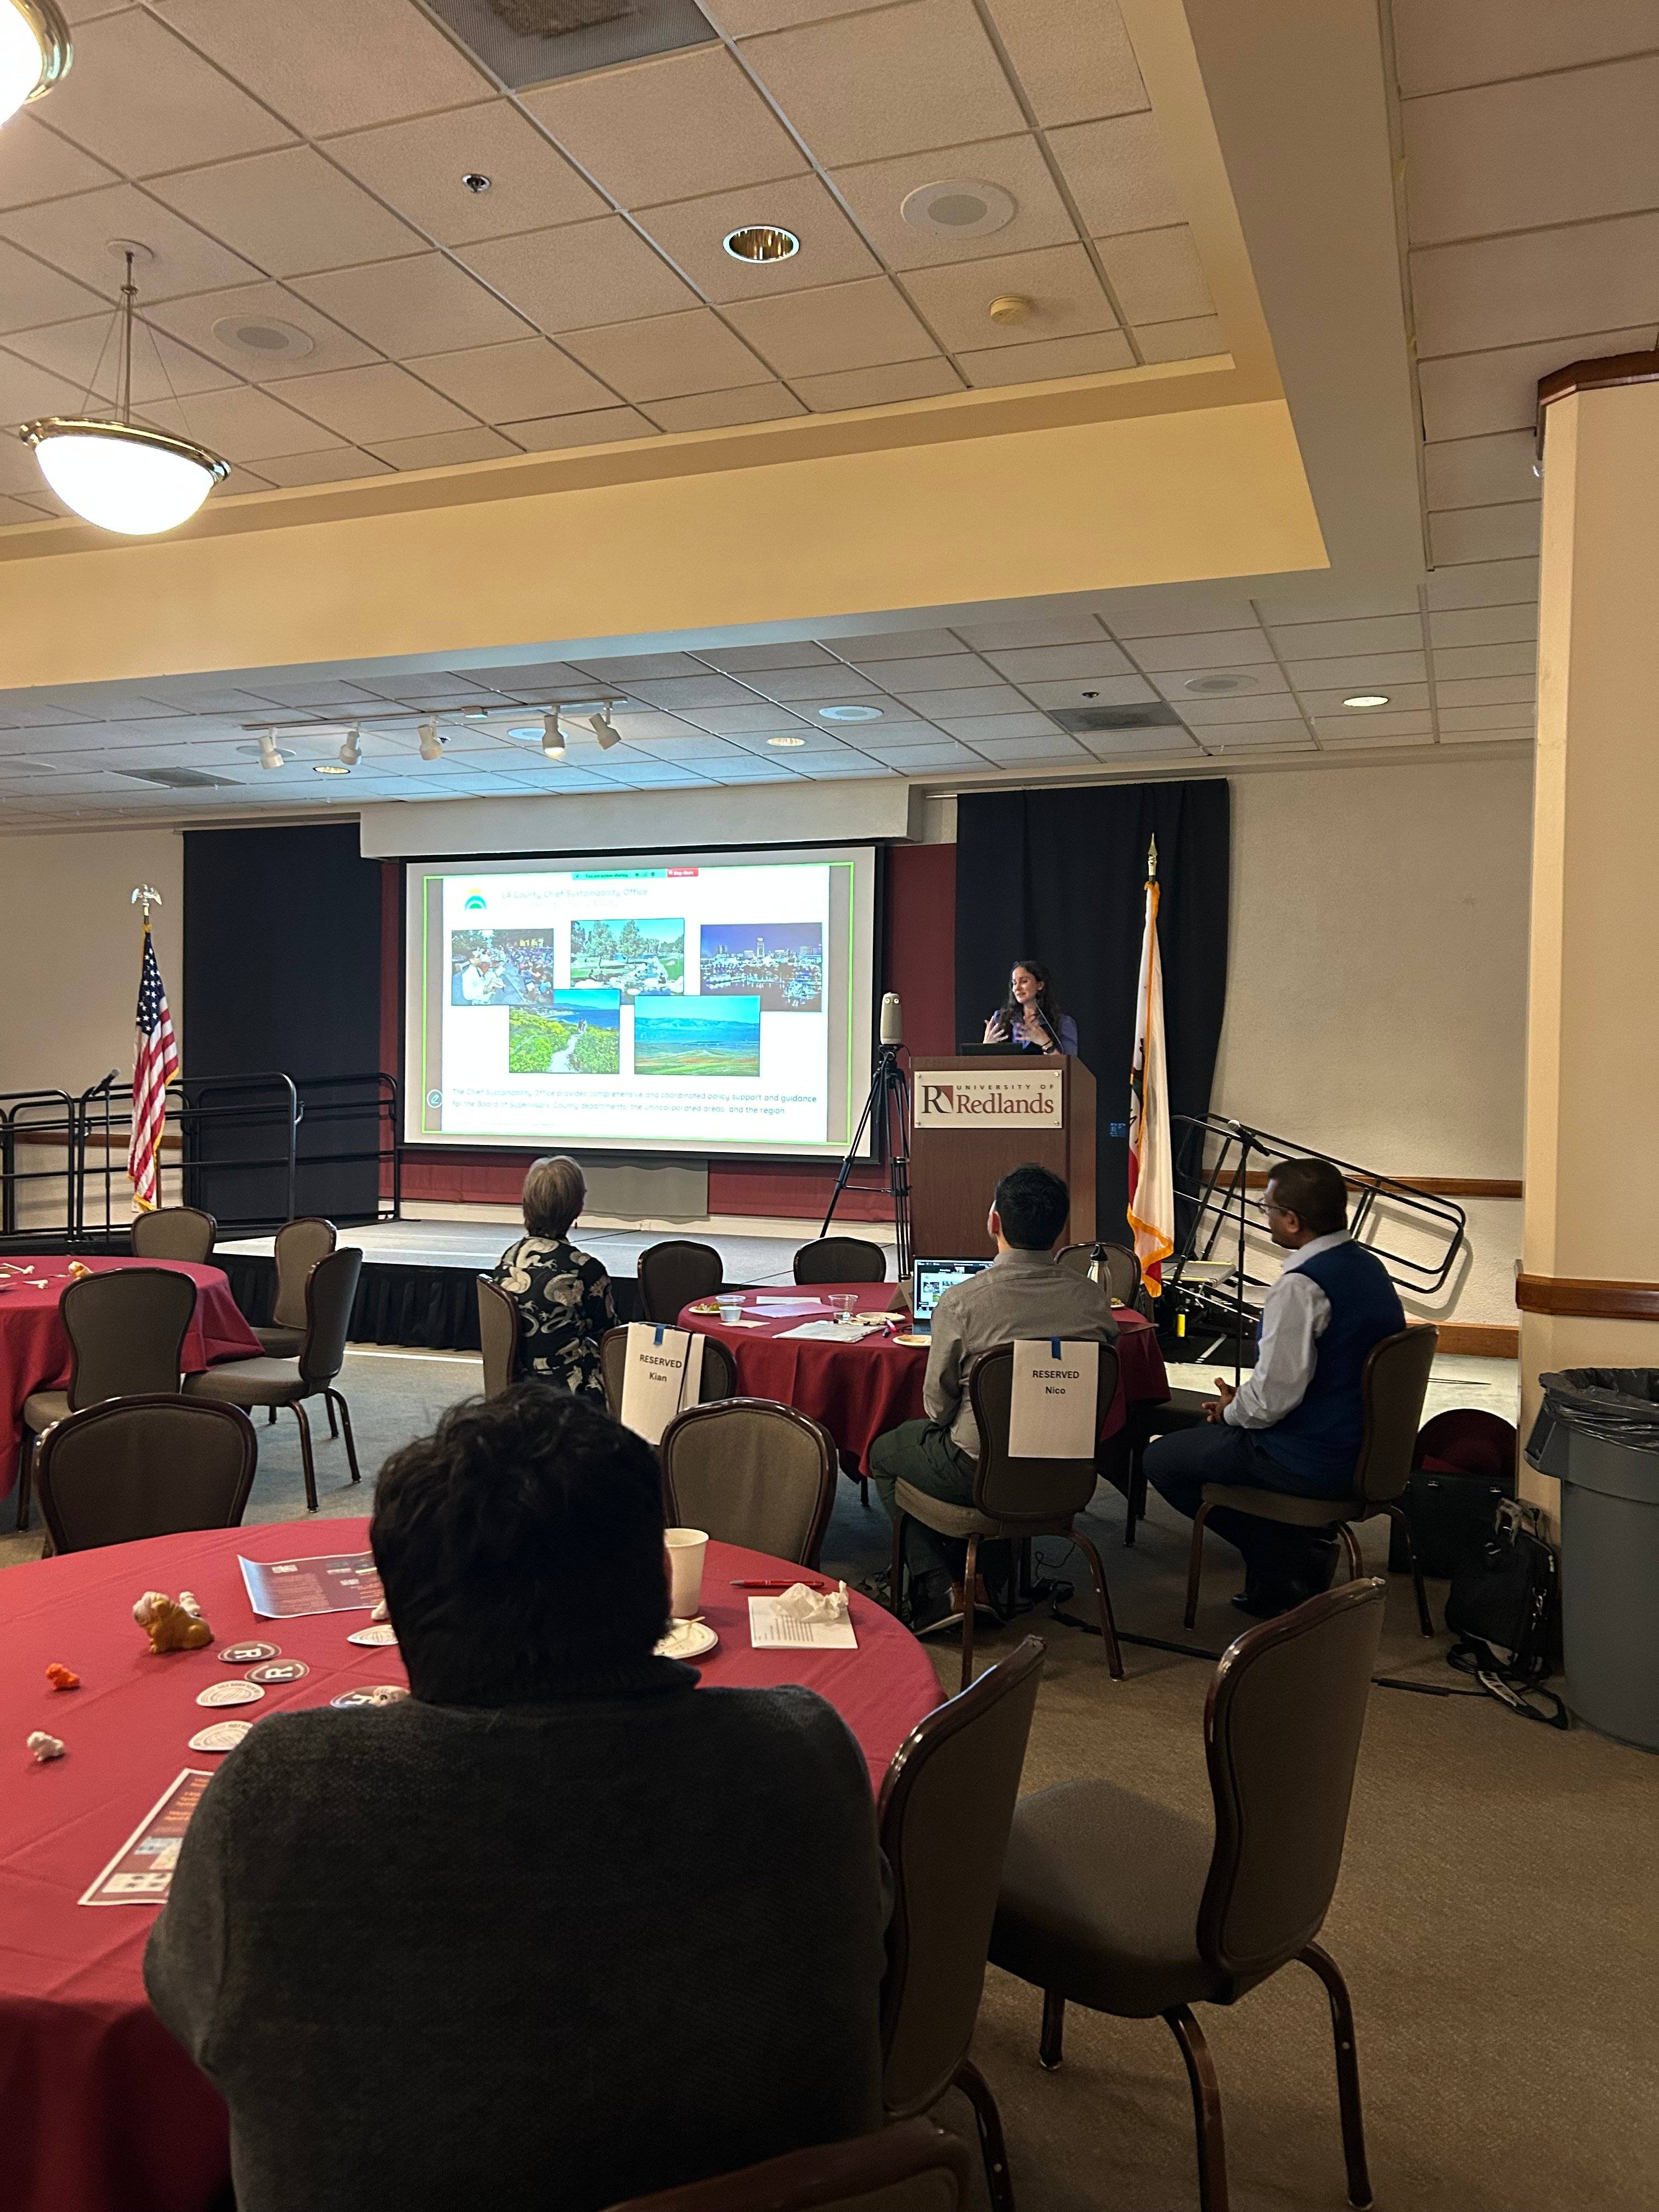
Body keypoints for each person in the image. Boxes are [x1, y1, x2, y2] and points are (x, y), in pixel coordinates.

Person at [144, 1386, 889, 2212]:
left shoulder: (279, 1793)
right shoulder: (805, 1751)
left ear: (402, 1612)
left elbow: (186, 2009)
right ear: (655, 1581)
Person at [1144, 1156, 1407, 1617]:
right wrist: (1243, 1405)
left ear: (1292, 1220)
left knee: (1161, 1458)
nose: (1263, 1214)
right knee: (1207, 1437)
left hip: (1308, 1457)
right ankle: (1295, 1546)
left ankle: (1282, 1554)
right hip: (1366, 1449)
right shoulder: (1368, 1267)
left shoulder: (1300, 1287)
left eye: (1266, 1206)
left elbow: (1273, 1400)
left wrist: (1230, 1412)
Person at [870, 1162, 1116, 1633]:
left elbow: (938, 1407)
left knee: (885, 1452)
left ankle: (939, 1583)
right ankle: (988, 1578)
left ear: (995, 1222)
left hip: (976, 1472)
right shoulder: (1094, 1301)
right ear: (1060, 1228)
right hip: (1068, 1470)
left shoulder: (963, 1302)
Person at [487, 1153, 615, 1400]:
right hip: (570, 1391)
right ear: (578, 1207)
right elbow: (609, 1337)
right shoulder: (586, 1270)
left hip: (517, 1386)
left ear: (527, 1203)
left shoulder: (509, 1258)